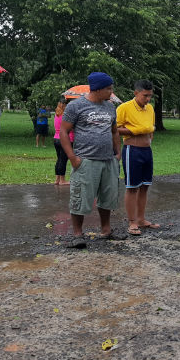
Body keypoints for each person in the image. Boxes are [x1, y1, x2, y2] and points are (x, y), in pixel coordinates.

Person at [60, 72, 121, 248]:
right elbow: (64, 132)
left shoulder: (110, 107)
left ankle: (106, 231)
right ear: (98, 89)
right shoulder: (76, 106)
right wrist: (72, 157)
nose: (111, 92)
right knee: (81, 198)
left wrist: (118, 153)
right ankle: (78, 235)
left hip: (108, 160)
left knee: (107, 197)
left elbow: (114, 131)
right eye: (109, 88)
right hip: (85, 160)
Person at [116, 79, 160, 235]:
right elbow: (115, 129)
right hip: (132, 150)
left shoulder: (150, 108)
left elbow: (151, 128)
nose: (147, 99)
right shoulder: (124, 107)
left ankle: (141, 219)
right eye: (145, 96)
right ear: (136, 93)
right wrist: (136, 130)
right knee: (132, 187)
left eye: (150, 96)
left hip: (147, 151)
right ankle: (132, 222)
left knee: (145, 186)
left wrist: (148, 133)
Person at [53, 98, 71, 185]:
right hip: (64, 139)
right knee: (63, 160)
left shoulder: (57, 114)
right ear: (64, 105)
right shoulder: (65, 115)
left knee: (59, 159)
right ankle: (62, 180)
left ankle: (57, 179)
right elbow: (69, 127)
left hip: (56, 138)